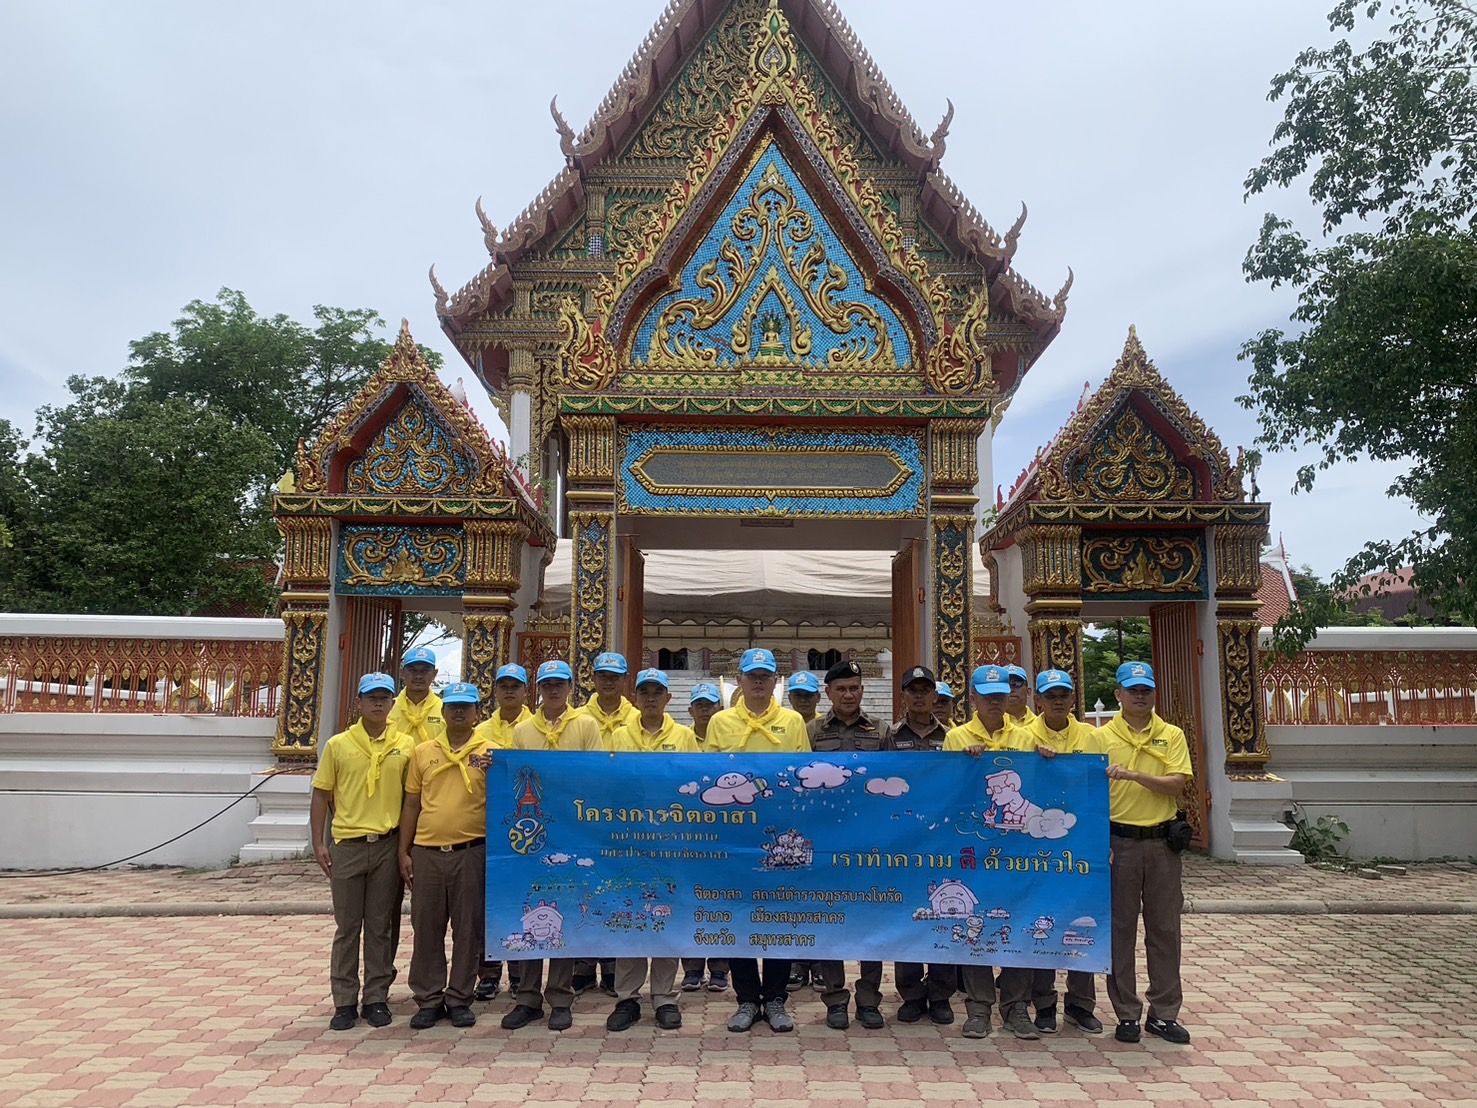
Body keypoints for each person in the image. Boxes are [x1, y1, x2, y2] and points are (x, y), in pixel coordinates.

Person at [706, 648, 812, 1033]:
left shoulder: (792, 721)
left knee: (779, 914)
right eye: (752, 676)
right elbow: (709, 775)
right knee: (740, 913)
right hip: (734, 834)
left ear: (774, 681)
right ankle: (747, 999)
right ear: (739, 680)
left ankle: (777, 998)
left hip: (780, 834)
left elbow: (803, 776)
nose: (758, 682)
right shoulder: (720, 722)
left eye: (765, 676)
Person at [500, 659, 606, 1033]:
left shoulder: (586, 725)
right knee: (529, 909)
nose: (554, 690)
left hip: (571, 831)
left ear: (571, 687)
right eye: (547, 685)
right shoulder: (523, 730)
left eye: (560, 684)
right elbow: (512, 780)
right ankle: (527, 997)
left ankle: (560, 996)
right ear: (539, 690)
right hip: (531, 833)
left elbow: (596, 776)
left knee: (563, 911)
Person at [310, 672, 415, 1030]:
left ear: (392, 703)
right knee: (347, 926)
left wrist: (406, 848)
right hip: (348, 844)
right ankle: (344, 1000)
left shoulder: (405, 745)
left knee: (380, 926)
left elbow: (411, 800)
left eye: (384, 698)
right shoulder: (338, 745)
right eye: (372, 697)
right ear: (359, 702)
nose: (378, 704)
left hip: (387, 843)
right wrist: (319, 842)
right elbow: (321, 794)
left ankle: (376, 997)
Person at [1006, 668, 1106, 1035]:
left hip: (1081, 842)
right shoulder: (1022, 737)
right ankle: (1044, 1002)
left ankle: (1080, 1003)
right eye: (1051, 696)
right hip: (1034, 844)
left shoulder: (1092, 737)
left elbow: (1101, 791)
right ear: (1038, 700)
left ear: (1073, 699)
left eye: (1064, 695)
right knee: (1039, 919)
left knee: (1083, 919)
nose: (1058, 701)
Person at [1101, 661, 1194, 1045]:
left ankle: (1164, 1013)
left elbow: (1176, 784)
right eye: (1132, 690)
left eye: (1146, 690)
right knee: (1120, 931)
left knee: (1165, 929)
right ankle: (1126, 1013)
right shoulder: (1100, 737)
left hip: (1161, 844)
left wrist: (1134, 775)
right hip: (1118, 843)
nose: (1140, 696)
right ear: (1118, 694)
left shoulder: (1171, 735)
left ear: (1154, 694)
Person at [605, 668, 701, 1031]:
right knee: (628, 915)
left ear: (668, 698)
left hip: (670, 841)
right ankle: (627, 998)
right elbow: (606, 783)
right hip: (627, 840)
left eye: (657, 692)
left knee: (666, 917)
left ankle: (664, 996)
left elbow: (694, 785)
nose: (650, 698)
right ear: (635, 696)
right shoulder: (619, 735)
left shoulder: (684, 736)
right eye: (644, 692)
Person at [399, 682, 492, 1030]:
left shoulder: (491, 753)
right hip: (428, 852)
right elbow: (412, 803)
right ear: (443, 711)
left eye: (466, 706)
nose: (459, 712)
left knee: (468, 928)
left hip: (471, 851)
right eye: (453, 706)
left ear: (477, 712)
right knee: (426, 927)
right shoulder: (424, 752)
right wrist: (403, 850)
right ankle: (428, 997)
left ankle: (459, 997)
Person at [942, 665, 1024, 1039]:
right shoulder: (956, 738)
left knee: (1018, 920)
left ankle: (1016, 1005)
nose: (995, 702)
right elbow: (948, 791)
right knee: (974, 921)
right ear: (973, 698)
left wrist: (1048, 758)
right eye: (988, 696)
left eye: (1000, 696)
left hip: (1017, 849)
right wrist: (966, 766)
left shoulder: (1025, 737)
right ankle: (978, 1007)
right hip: (973, 846)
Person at [809, 659, 886, 1031]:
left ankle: (869, 999)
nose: (849, 694)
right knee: (830, 916)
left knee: (872, 917)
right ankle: (835, 998)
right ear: (828, 693)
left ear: (862, 691)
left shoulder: (882, 731)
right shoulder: (812, 732)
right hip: (826, 838)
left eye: (854, 688)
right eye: (841, 689)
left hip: (871, 839)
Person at [882, 665, 955, 1025]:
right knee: (908, 913)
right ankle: (911, 993)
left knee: (946, 910)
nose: (920, 696)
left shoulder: (953, 737)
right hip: (904, 839)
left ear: (935, 695)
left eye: (926, 690)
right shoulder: (890, 736)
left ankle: (941, 994)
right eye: (913, 690)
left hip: (944, 838)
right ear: (904, 696)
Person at [571, 650, 635, 997]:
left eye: (615, 677)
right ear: (592, 679)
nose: (609, 682)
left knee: (618, 891)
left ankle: (613, 967)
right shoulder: (577, 719)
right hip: (584, 816)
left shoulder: (637, 719)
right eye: (603, 676)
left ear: (625, 681)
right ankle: (583, 966)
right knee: (583, 888)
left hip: (624, 819)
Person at [471, 662, 532, 1001]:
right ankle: (489, 973)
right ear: (495, 691)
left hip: (528, 829)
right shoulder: (480, 732)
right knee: (488, 904)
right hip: (490, 827)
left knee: (522, 900)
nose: (509, 691)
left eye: (515, 686)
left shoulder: (536, 729)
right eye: (504, 686)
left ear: (525, 692)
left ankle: (520, 973)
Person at [681, 681, 731, 994]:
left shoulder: (726, 737)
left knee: (721, 897)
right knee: (689, 898)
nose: (704, 710)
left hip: (723, 829)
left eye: (709, 705)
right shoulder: (681, 737)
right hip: (688, 830)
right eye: (699, 705)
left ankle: (720, 967)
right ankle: (692, 967)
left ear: (718, 709)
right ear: (690, 710)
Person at [389, 646, 445, 746]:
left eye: (425, 671)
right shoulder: (389, 708)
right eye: (412, 670)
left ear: (434, 673)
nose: (418, 676)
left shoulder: (444, 709)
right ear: (402, 673)